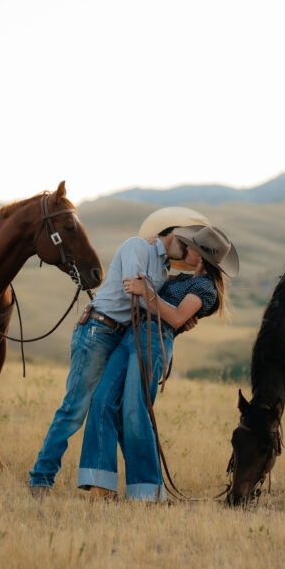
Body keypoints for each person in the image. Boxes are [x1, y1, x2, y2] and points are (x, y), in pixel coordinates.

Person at [27, 207, 210, 495]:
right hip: (98, 331)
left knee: (117, 406)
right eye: (186, 241)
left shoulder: (163, 270)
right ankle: (41, 478)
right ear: (173, 232)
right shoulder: (138, 247)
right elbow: (133, 293)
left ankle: (138, 486)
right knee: (75, 408)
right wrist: (170, 314)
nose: (188, 248)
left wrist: (178, 318)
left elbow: (151, 300)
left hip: (119, 336)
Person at [77, 224, 238, 502]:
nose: (185, 248)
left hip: (154, 339)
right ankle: (99, 484)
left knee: (134, 409)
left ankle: (147, 491)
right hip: (131, 333)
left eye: (190, 246)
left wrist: (145, 292)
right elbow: (156, 275)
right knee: (102, 399)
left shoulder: (205, 288)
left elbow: (175, 318)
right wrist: (156, 245)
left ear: (200, 257)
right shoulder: (184, 278)